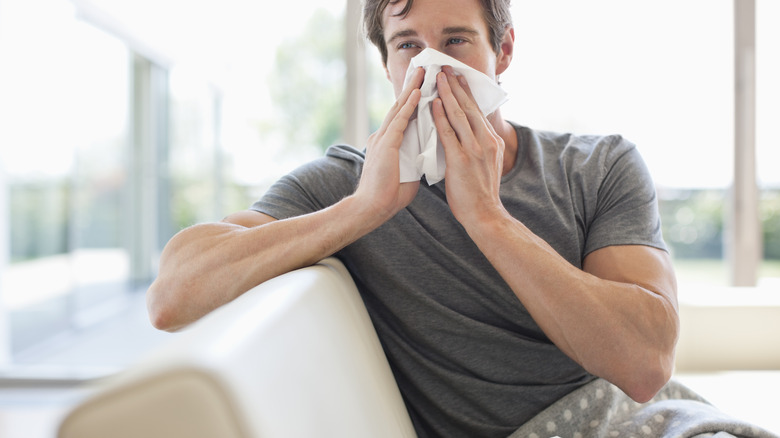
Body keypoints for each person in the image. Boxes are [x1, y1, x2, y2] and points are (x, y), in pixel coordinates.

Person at [146, 0, 679, 436]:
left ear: (504, 50)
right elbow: (172, 295)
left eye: (456, 41)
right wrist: (363, 209)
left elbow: (646, 365)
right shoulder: (347, 183)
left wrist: (489, 219)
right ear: (388, 67)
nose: (432, 67)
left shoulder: (599, 166)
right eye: (408, 46)